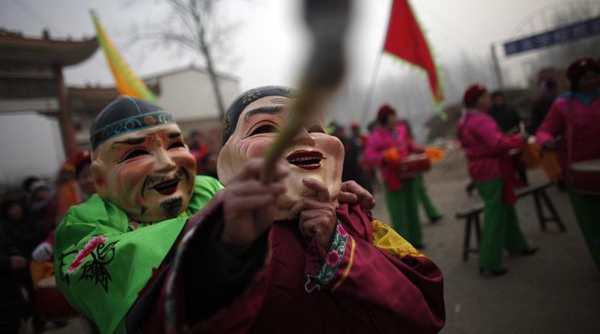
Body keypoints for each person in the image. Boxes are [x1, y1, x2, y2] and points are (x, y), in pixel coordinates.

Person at [214, 86, 445, 333]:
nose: (302, 137)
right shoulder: (214, 243)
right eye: (265, 128)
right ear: (228, 163)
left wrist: (338, 245)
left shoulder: (354, 218)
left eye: (314, 128)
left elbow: (423, 309)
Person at [54, 96, 288, 333]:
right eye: (135, 153)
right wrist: (200, 227)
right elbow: (98, 270)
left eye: (175, 145)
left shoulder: (207, 189)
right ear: (100, 178)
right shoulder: (82, 220)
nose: (166, 164)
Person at [457, 83, 537, 276]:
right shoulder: (481, 120)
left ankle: (516, 244)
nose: (490, 100)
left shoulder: (465, 120)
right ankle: (490, 261)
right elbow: (497, 144)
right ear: (478, 101)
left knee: (505, 208)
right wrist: (517, 140)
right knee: (495, 214)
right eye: (486, 97)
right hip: (491, 170)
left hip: (480, 170)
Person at [536, 58, 600, 271]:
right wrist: (546, 142)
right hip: (577, 173)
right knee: (592, 222)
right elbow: (544, 130)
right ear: (575, 81)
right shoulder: (563, 104)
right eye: (585, 78)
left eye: (594, 76)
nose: (590, 81)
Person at [363, 104, 426, 248]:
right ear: (384, 119)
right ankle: (403, 245)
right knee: (399, 213)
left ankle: (416, 240)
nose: (395, 119)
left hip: (409, 174)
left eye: (394, 115)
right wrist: (385, 155)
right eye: (392, 116)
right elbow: (368, 156)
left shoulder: (401, 130)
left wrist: (417, 148)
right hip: (392, 179)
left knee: (412, 208)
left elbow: (409, 145)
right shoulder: (376, 137)